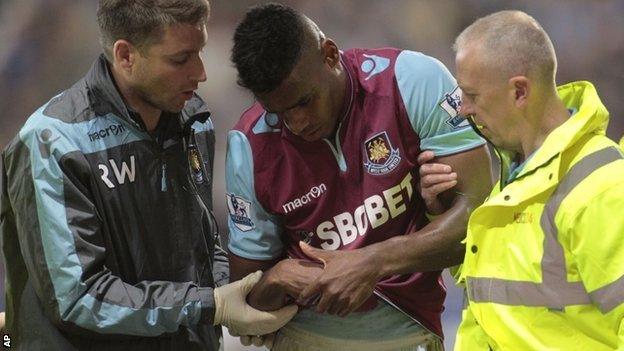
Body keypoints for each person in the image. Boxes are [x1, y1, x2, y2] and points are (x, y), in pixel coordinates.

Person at [0, 1, 297, 350]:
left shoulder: (193, 118)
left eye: (199, 52)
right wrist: (212, 305)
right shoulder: (53, 141)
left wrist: (243, 295)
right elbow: (78, 298)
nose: (200, 72)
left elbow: (202, 247)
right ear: (125, 56)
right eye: (180, 59)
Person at [226, 3, 493, 350]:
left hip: (411, 334)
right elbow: (248, 305)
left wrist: (372, 262)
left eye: (305, 101)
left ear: (330, 54)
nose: (297, 123)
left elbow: (480, 215)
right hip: (303, 338)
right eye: (279, 112)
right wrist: (276, 278)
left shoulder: (412, 80)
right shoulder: (248, 146)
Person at [418, 10, 624, 350]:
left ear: (519, 92)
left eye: (472, 95)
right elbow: (495, 291)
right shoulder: (521, 172)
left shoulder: (601, 188)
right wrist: (443, 211)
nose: (462, 109)